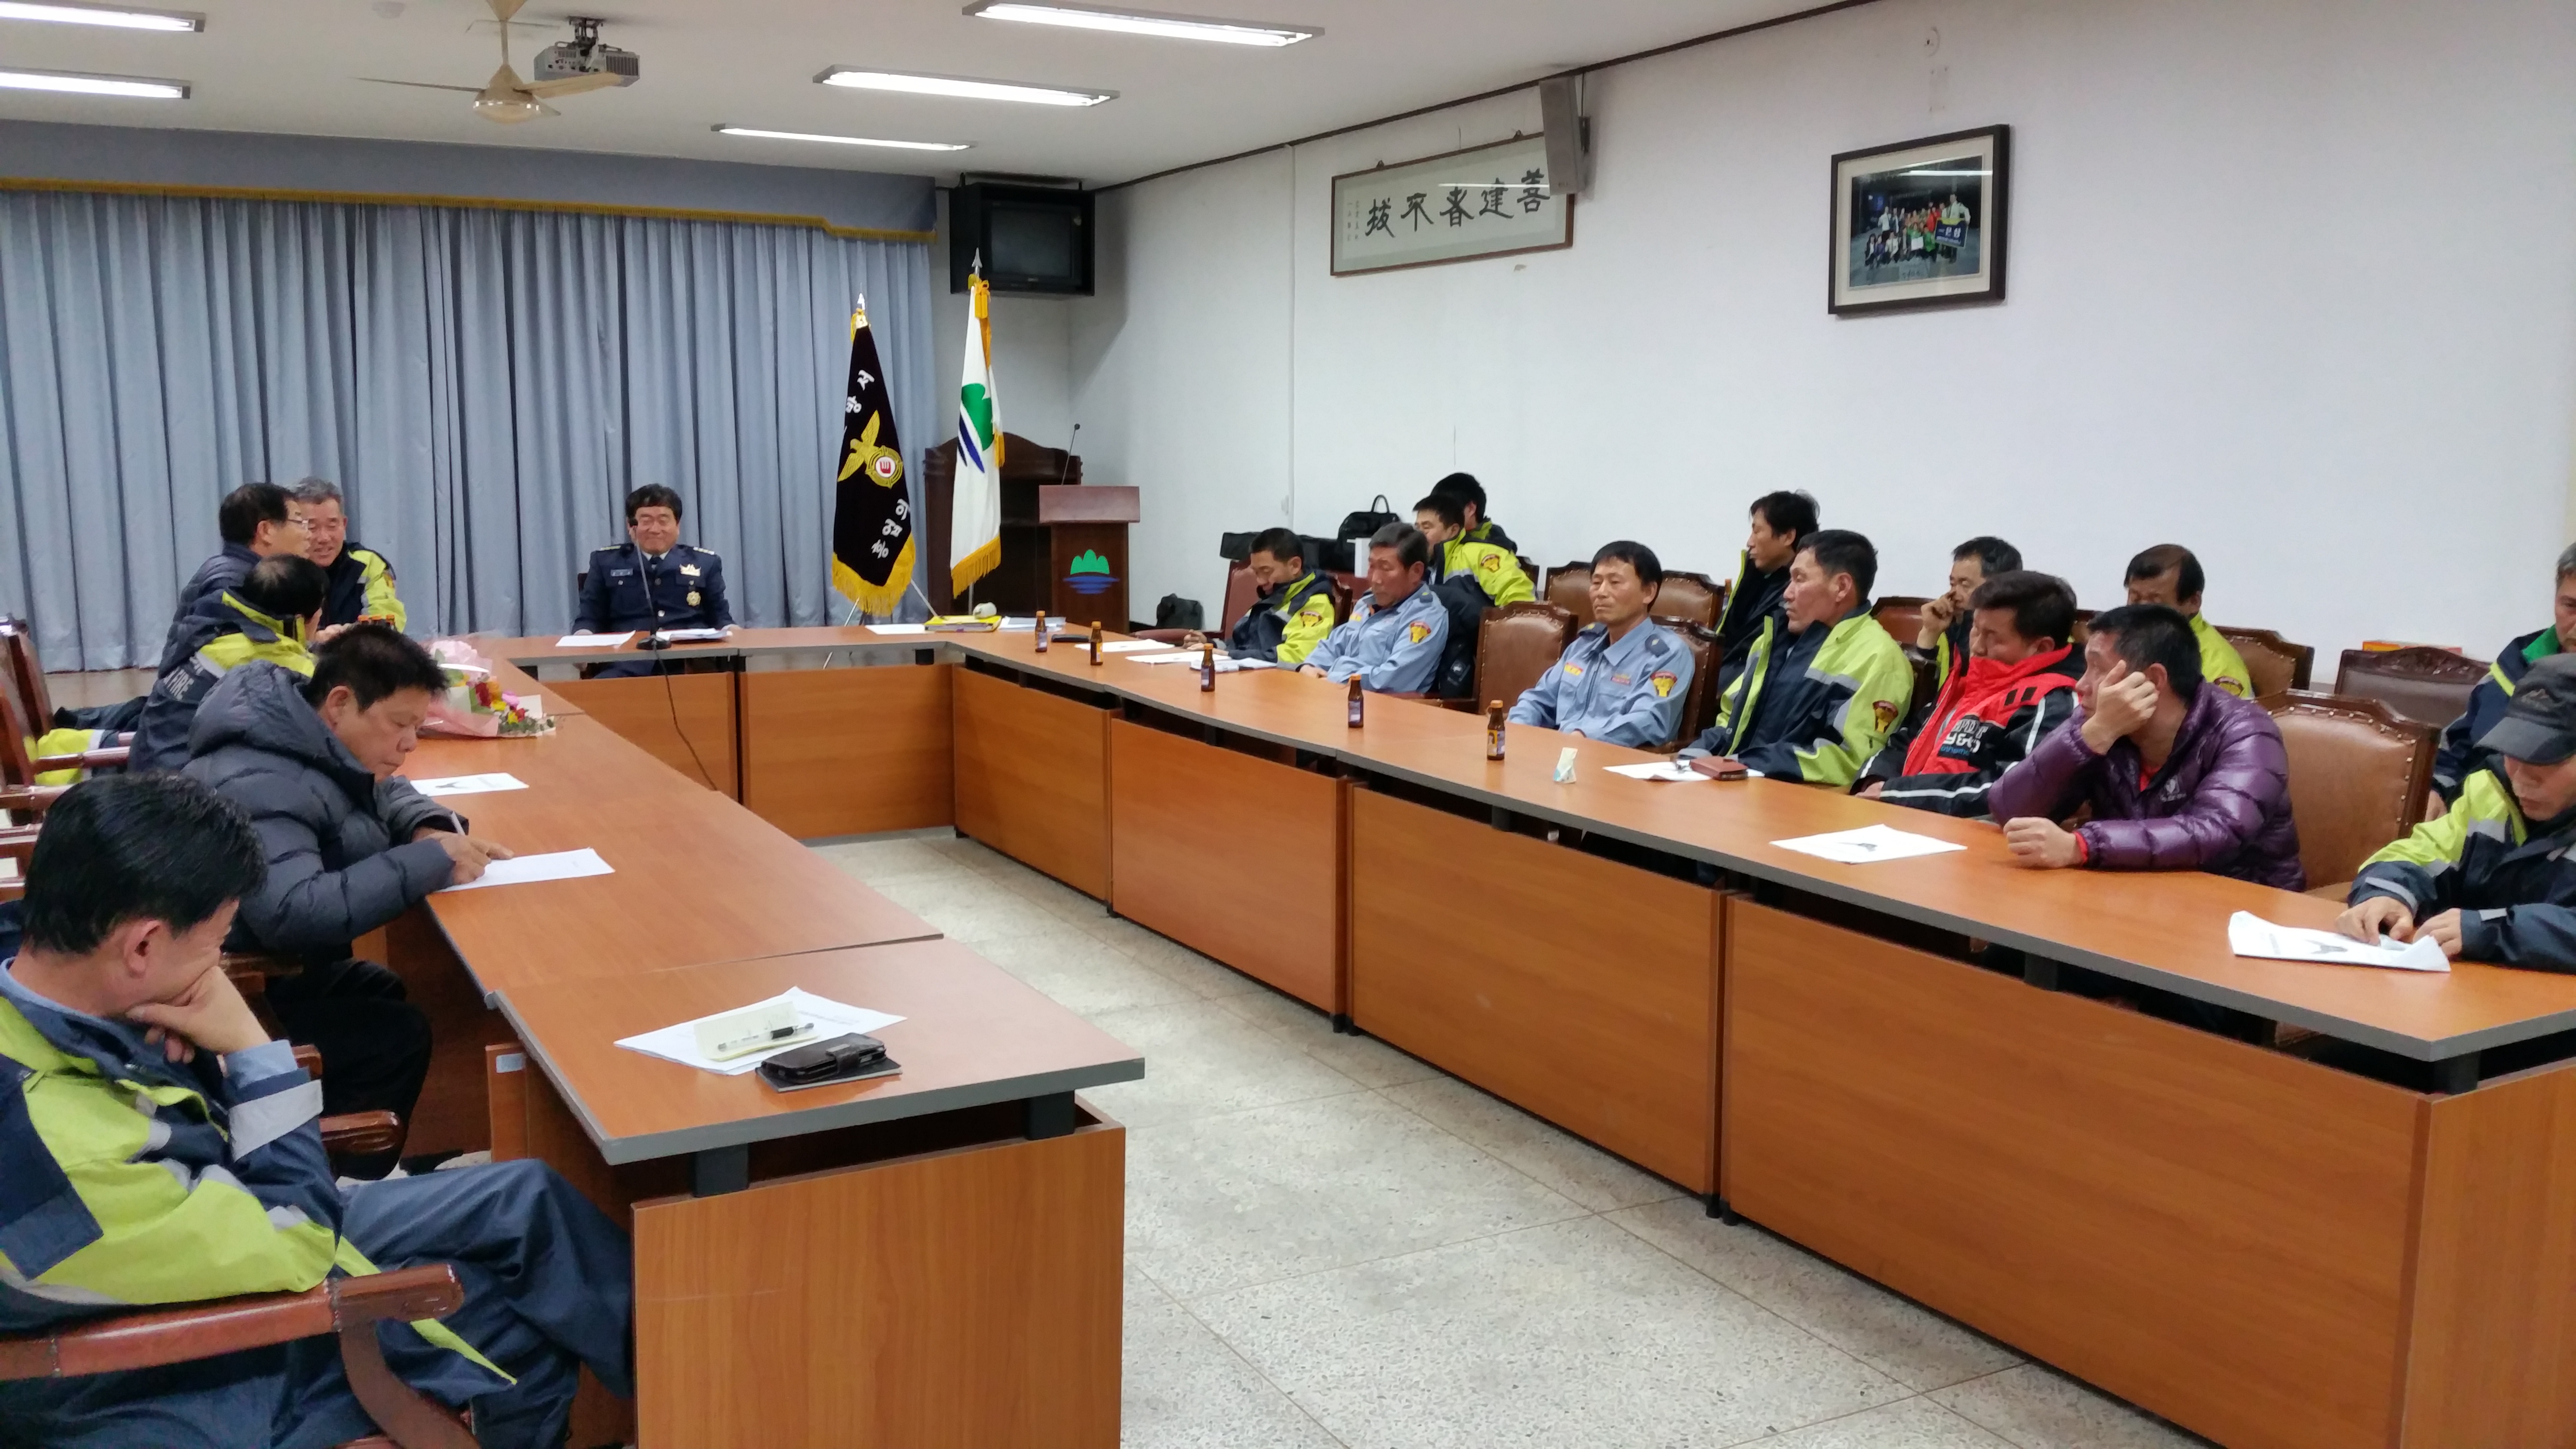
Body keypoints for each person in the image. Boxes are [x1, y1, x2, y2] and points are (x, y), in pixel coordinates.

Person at [0, 773, 630, 1448]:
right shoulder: (52, 1157)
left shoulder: (62, 991)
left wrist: (172, 1048)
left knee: (523, 1200)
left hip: (208, 1224)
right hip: (159, 1378)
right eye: (216, 944)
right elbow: (295, 1242)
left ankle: (685, 1400)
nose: (218, 967)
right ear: (143, 947)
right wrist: (251, 1050)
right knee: (506, 1319)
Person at [182, 625, 515, 1162]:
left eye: (418, 726)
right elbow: (292, 911)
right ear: (340, 703)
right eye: (400, 725)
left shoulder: (306, 737)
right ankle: (325, 1175)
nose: (410, 743)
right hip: (221, 990)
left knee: (382, 987)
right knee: (394, 1033)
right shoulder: (259, 776)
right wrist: (429, 862)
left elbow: (383, 792)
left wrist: (426, 827)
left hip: (268, 967)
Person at [1989, 603, 2302, 888]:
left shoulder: (2248, 731)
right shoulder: (2100, 720)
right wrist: (2091, 738)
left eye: (2099, 669)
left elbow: (2215, 830)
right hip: (2136, 892)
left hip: (2241, 906)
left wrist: (2083, 846)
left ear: (2152, 680)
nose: (2081, 685)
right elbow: (2009, 810)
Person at [2338, 654, 2576, 968]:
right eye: (2513, 750)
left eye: (2545, 758)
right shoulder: (2489, 791)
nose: (2520, 776)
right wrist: (2388, 893)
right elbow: (2422, 853)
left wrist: (2490, 931)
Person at [1679, 529, 1912, 786]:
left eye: (1799, 579)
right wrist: (1695, 755)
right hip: (1734, 780)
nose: (1787, 593)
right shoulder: (1771, 639)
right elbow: (1730, 719)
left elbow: (1847, 759)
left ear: (1841, 587)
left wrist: (1743, 764)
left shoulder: (1879, 658)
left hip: (1792, 795)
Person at [1859, 569, 2082, 817]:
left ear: (2041, 647)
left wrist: (1897, 793)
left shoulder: (2052, 700)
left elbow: (2011, 789)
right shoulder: (1968, 679)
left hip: (1967, 829)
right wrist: (1875, 780)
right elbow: (1907, 738)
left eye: (1992, 637)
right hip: (1906, 813)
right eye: (1976, 630)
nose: (1976, 646)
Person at [131, 554, 328, 773]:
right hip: (183, 781)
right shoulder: (274, 661)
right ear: (300, 621)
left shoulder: (216, 627)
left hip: (148, 761)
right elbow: (328, 693)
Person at [2426, 542, 2576, 819]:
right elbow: (2461, 744)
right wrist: (2435, 788)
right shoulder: (2515, 664)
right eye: (2571, 606)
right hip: (2473, 824)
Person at [1509, 540, 1695, 749]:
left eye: (1615, 583)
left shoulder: (1667, 654)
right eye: (1596, 583)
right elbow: (1539, 699)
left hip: (1612, 759)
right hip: (1558, 752)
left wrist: (1581, 737)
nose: (1601, 592)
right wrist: (1517, 727)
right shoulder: (1584, 645)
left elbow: (1647, 720)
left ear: (1648, 592)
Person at [574, 484, 733, 677]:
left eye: (663, 521)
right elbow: (589, 617)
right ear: (631, 526)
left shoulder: (705, 563)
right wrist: (581, 641)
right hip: (626, 663)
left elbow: (721, 618)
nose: (655, 529)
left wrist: (735, 632)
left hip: (690, 664)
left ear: (677, 525)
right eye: (646, 521)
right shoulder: (606, 562)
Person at [163, 483, 313, 672]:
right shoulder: (233, 586)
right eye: (300, 523)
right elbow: (261, 663)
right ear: (266, 530)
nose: (309, 535)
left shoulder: (232, 570)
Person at [1299, 521, 1449, 694]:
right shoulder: (1367, 603)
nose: (1375, 579)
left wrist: (1334, 679)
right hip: (1335, 693)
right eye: (1371, 566)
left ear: (1416, 571)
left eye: (1385, 568)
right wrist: (1310, 666)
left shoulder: (1426, 617)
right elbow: (1334, 644)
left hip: (1377, 704)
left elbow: (1391, 679)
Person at [1713, 490, 1818, 688]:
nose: (1749, 542)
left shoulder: (1800, 596)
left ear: (1788, 537)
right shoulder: (1755, 579)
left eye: (1757, 531)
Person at [2122, 544, 2253, 700]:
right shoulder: (2115, 641)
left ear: (2193, 602)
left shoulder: (2220, 668)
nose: (2141, 612)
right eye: (2135, 599)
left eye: (2156, 604)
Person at [292, 476, 407, 630]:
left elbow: (385, 626)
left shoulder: (367, 564)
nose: (324, 538)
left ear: (344, 524)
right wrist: (313, 638)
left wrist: (343, 637)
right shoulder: (279, 569)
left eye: (332, 526)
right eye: (312, 527)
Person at [1912, 535, 2023, 695]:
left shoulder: (2015, 635)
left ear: (2000, 586)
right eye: (1952, 584)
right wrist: (1929, 633)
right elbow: (1924, 694)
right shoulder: (1950, 623)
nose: (1953, 593)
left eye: (1965, 585)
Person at [1217, 527, 1337, 666]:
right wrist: (1212, 645)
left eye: (1266, 571)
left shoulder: (1315, 603)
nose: (1260, 581)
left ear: (1295, 566)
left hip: (1279, 677)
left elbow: (1299, 656)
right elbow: (1243, 644)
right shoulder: (1272, 596)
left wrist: (1233, 656)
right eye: (1256, 573)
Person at [1414, 492, 1534, 608]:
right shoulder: (1418, 563)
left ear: (1453, 530)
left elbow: (1520, 598)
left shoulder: (1481, 554)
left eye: (1426, 528)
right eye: (1417, 528)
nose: (1419, 534)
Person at [1428, 471, 1515, 552]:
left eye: (1445, 509)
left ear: (1471, 509)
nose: (1439, 517)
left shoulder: (1496, 549)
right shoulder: (1435, 541)